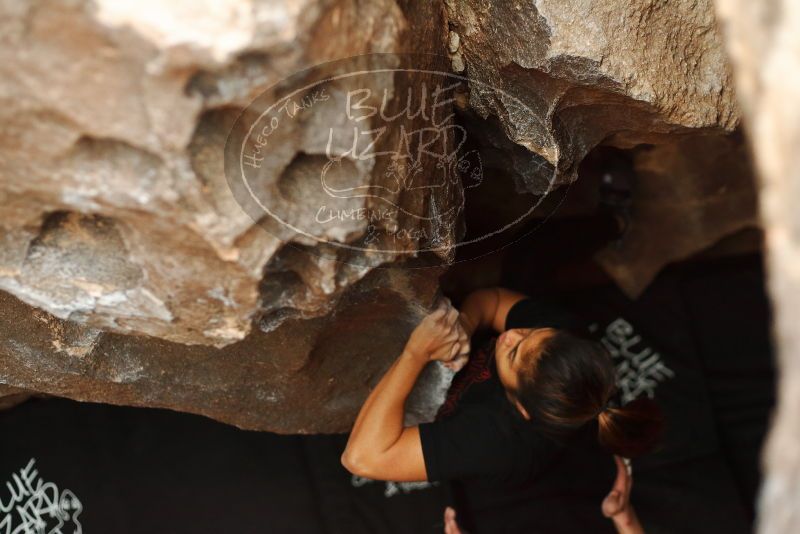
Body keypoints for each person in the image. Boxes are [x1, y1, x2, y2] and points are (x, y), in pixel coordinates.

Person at [341, 287, 663, 532]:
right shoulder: (562, 344)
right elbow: (492, 301)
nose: (509, 336)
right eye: (532, 332)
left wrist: (417, 353)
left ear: (522, 408)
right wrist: (463, 329)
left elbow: (361, 457)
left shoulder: (496, 441)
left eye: (514, 353)